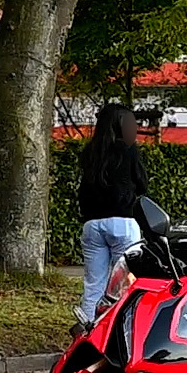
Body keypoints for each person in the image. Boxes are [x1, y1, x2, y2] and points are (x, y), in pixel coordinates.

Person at [76, 103, 150, 324]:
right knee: (126, 283)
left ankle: (88, 331)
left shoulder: (90, 152)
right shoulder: (128, 150)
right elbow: (142, 185)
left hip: (92, 225)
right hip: (123, 222)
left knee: (94, 284)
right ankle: (121, 330)